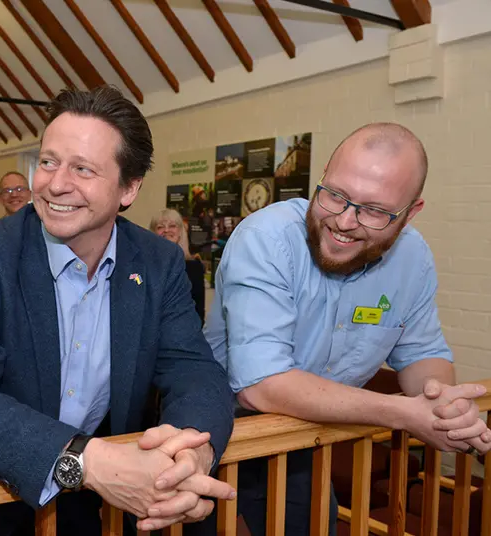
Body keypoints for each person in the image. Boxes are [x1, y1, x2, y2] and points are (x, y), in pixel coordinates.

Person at [0, 86, 236, 536]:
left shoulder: (158, 263)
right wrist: (85, 459)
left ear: (129, 188)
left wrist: (190, 456)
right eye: (48, 161)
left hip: (82, 509)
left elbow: (196, 372)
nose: (56, 184)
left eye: (83, 168)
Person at [201, 122, 491, 536]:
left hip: (304, 437)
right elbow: (261, 384)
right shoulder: (268, 239)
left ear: (411, 213)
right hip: (217, 431)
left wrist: (442, 403)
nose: (344, 221)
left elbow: (423, 353)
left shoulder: (414, 259)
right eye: (335, 194)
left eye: (373, 210)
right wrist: (403, 414)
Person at [150, 208, 206, 323]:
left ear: (181, 231)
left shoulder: (194, 267)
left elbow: (198, 310)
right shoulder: (144, 266)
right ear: (152, 233)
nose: (166, 230)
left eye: (172, 226)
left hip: (184, 333)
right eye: (160, 227)